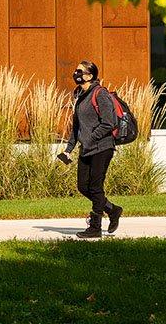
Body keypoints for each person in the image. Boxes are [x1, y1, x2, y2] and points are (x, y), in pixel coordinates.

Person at [58, 60, 123, 238]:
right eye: (76, 70)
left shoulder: (100, 94)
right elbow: (76, 127)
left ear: (89, 75)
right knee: (82, 186)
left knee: (95, 187)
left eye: (79, 71)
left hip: (102, 147)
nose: (75, 73)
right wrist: (68, 149)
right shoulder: (80, 96)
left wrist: (90, 138)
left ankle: (95, 228)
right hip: (86, 148)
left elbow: (109, 123)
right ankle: (113, 210)